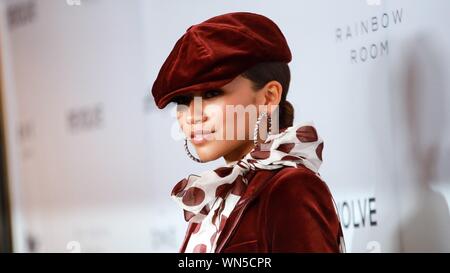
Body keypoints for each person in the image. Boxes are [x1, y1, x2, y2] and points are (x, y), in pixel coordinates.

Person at [151, 12, 345, 253]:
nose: (192, 115)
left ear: (268, 97)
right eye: (183, 100)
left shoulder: (291, 188)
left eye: (211, 94)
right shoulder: (217, 197)